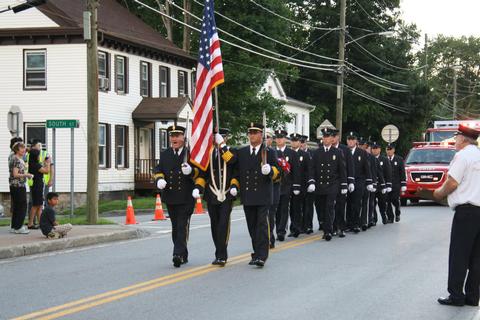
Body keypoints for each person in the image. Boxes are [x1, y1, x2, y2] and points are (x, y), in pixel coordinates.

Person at [433, 124, 480, 307]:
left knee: (459, 255)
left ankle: (456, 296)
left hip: (466, 212)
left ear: (463, 139)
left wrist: (438, 193)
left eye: (456, 138)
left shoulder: (462, 156)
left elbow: (452, 182)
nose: (454, 141)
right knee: (477, 257)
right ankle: (473, 296)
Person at [232, 122, 280, 267]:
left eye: (255, 132)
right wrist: (234, 185)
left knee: (262, 226)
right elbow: (236, 172)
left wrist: (270, 170)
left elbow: (278, 174)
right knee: (252, 227)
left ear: (261, 135)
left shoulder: (269, 152)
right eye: (250, 133)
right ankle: (256, 253)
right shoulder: (242, 152)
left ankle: (262, 255)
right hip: (248, 196)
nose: (252, 135)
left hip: (263, 196)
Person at [153, 125, 200, 268]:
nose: (174, 138)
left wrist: (191, 171)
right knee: (175, 226)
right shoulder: (165, 154)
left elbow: (200, 172)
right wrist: (159, 179)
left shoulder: (190, 153)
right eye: (172, 136)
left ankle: (177, 254)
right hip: (171, 195)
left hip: (186, 196)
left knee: (182, 225)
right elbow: (158, 169)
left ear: (183, 137)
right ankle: (183, 254)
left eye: (177, 136)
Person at [196, 128, 239, 266]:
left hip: (226, 193)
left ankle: (222, 255)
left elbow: (232, 162)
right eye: (216, 138)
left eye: (221, 137)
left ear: (226, 138)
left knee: (223, 224)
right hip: (211, 193)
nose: (217, 140)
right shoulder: (208, 154)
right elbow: (203, 173)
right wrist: (198, 187)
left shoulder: (231, 151)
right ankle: (218, 251)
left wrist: (222, 146)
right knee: (215, 224)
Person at [308, 128, 347, 241]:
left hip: (332, 184)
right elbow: (312, 169)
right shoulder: (317, 152)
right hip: (320, 185)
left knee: (329, 207)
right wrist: (311, 181)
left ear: (332, 138)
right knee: (321, 208)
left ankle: (328, 231)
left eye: (328, 137)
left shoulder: (337, 152)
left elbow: (342, 170)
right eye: (324, 137)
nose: (326, 139)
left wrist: (344, 184)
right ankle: (325, 226)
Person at [274, 129, 300, 240]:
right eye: (278, 138)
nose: (279, 140)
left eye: (281, 137)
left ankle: (281, 231)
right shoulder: (271, 152)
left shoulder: (291, 153)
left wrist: (296, 185)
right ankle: (277, 229)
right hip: (274, 186)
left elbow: (296, 171)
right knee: (276, 210)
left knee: (284, 208)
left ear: (285, 139)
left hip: (287, 185)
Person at [346, 132, 373, 233]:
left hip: (359, 180)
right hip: (347, 180)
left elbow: (367, 168)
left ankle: (356, 224)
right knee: (348, 203)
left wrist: (369, 182)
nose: (350, 141)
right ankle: (348, 223)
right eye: (349, 139)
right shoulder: (343, 151)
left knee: (357, 203)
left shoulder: (362, 153)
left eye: (352, 139)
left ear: (356, 141)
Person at [331, 129, 355, 238]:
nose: (332, 138)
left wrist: (350, 181)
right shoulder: (326, 149)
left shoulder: (344, 150)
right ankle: (332, 227)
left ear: (338, 138)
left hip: (341, 182)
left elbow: (350, 166)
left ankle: (341, 227)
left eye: (334, 136)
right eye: (331, 136)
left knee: (340, 206)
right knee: (329, 206)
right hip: (329, 183)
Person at [9, 141, 33, 234]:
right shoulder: (16, 159)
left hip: (17, 185)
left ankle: (14, 226)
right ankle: (18, 227)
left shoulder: (18, 158)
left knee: (17, 206)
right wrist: (26, 175)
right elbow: (15, 174)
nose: (24, 150)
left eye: (24, 148)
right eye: (21, 148)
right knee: (22, 206)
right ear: (17, 150)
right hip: (17, 185)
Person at [289, 133, 309, 235]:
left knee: (299, 207)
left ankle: (301, 226)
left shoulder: (304, 155)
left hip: (301, 185)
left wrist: (307, 184)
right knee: (291, 208)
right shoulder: (287, 153)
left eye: (296, 141)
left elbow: (307, 171)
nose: (294, 142)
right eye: (292, 141)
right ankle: (293, 227)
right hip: (289, 185)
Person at [27, 149, 51, 229]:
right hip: (37, 186)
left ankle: (41, 223)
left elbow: (42, 170)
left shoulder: (33, 164)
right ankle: (30, 223)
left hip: (37, 185)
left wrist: (44, 164)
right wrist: (48, 163)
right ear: (35, 156)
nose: (39, 156)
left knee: (40, 205)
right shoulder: (36, 165)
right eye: (38, 155)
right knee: (36, 205)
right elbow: (47, 171)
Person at [265, 129, 280, 248]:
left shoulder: (272, 152)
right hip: (260, 189)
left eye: (268, 137)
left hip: (272, 188)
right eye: (264, 137)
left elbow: (279, 173)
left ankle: (270, 237)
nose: (266, 139)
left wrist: (270, 171)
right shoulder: (259, 151)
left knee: (270, 214)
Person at [371, 142, 392, 224]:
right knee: (372, 203)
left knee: (382, 203)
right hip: (373, 185)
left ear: (379, 149)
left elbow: (388, 173)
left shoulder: (384, 159)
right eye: (373, 148)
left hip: (381, 185)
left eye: (376, 148)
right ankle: (374, 219)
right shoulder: (370, 158)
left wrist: (388, 185)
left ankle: (384, 216)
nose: (375, 150)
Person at [385, 143, 406, 223]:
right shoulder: (384, 159)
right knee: (387, 201)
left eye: (390, 149)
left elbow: (402, 172)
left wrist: (403, 184)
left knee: (394, 199)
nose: (389, 151)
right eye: (388, 149)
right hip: (386, 184)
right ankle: (390, 217)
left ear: (393, 150)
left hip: (396, 184)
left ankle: (397, 212)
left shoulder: (399, 159)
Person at [299, 135, 315, 234]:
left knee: (308, 206)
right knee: (298, 206)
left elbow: (313, 169)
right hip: (299, 183)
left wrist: (312, 182)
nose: (301, 144)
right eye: (300, 142)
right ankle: (299, 226)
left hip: (308, 183)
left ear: (306, 143)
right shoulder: (295, 153)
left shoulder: (311, 153)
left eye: (303, 142)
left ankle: (308, 225)